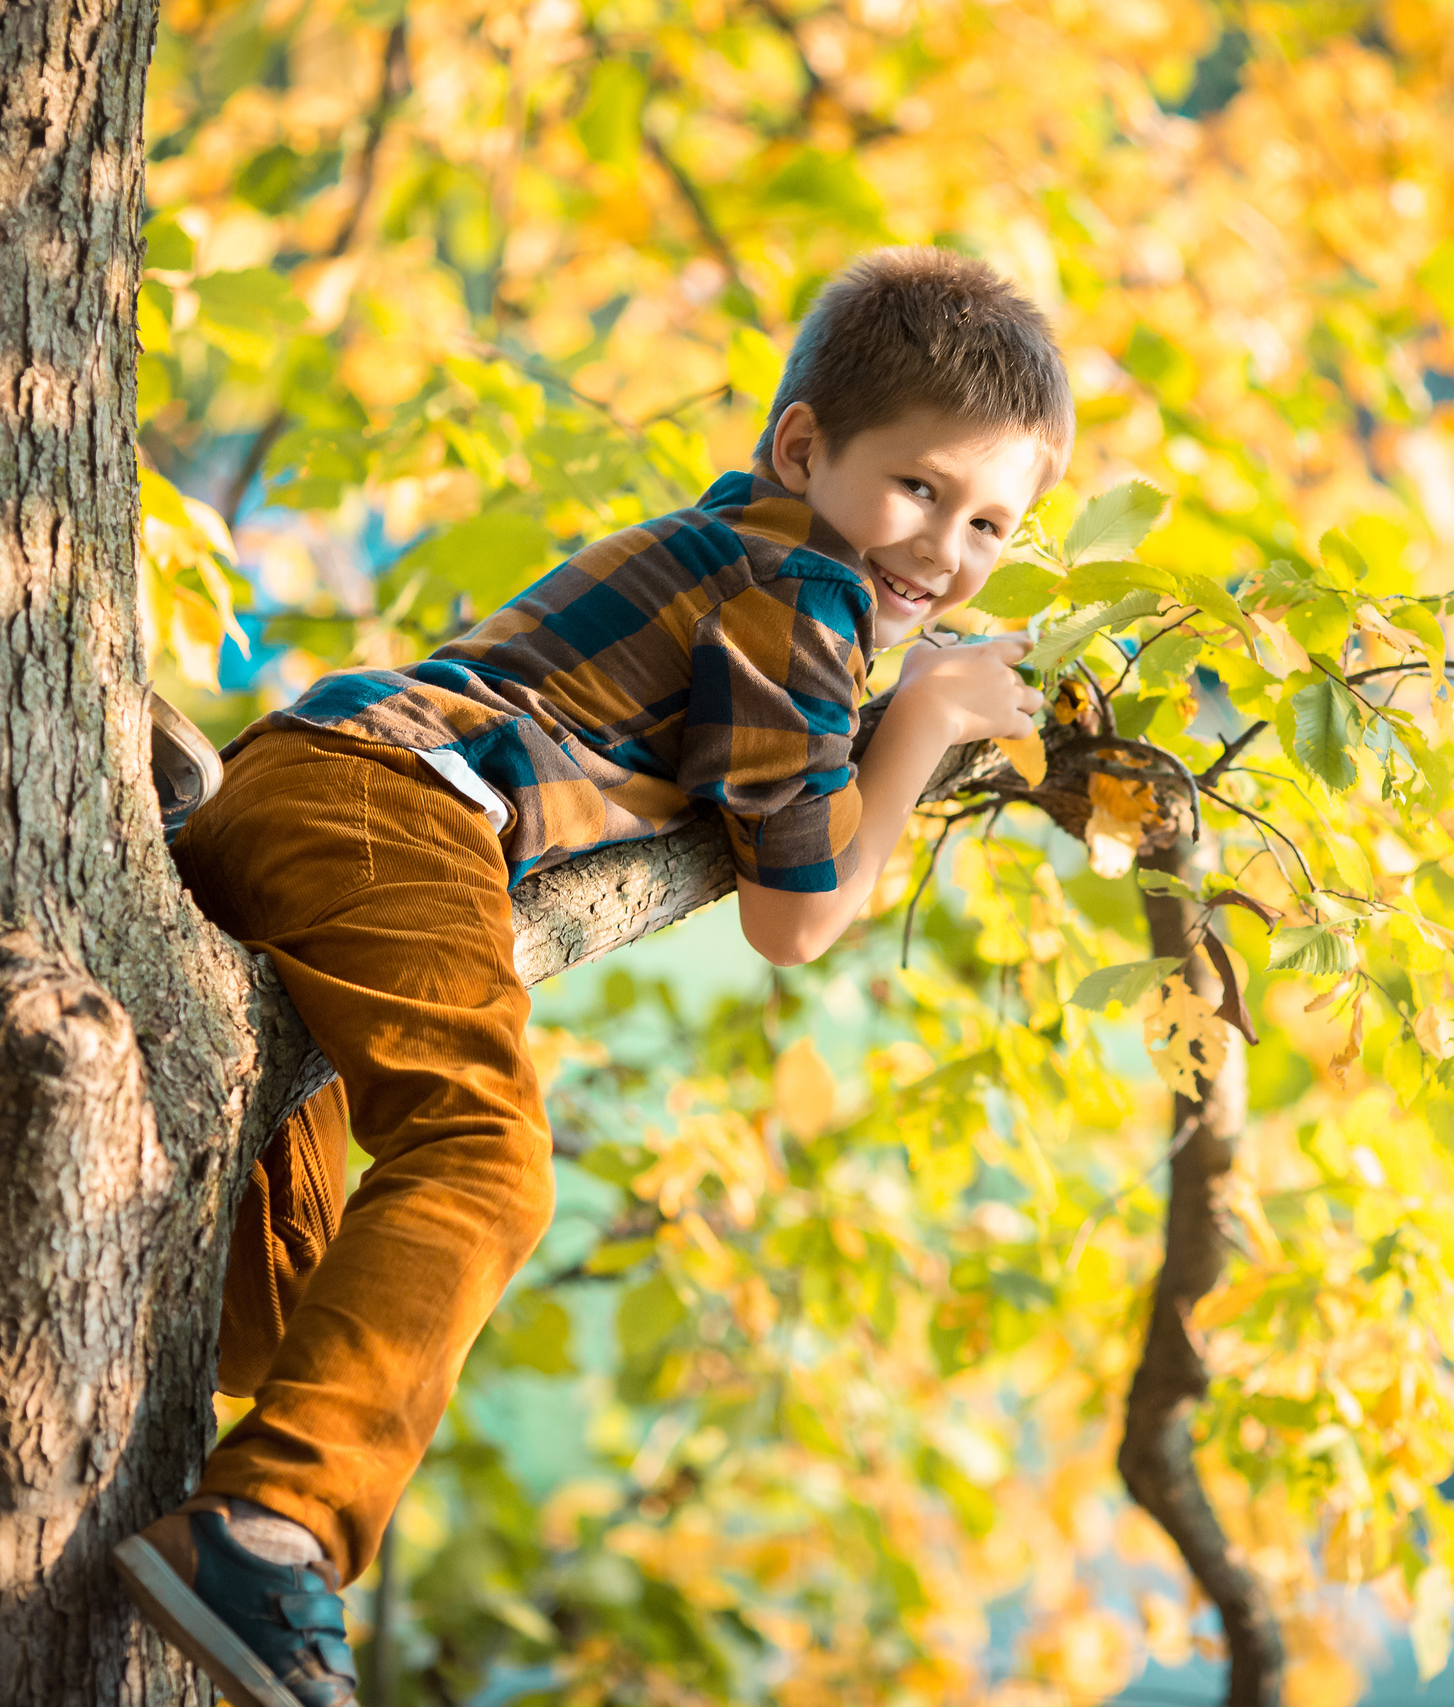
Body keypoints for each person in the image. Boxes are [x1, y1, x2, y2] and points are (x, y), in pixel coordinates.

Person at [110, 247, 1074, 1707]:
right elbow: (796, 917)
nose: (944, 555)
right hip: (396, 806)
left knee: (273, 1298)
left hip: (302, 788)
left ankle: (196, 1484)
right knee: (487, 1167)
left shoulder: (755, 563)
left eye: (993, 524)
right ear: (804, 447)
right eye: (921, 490)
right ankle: (268, 1527)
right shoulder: (802, 593)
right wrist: (927, 721)